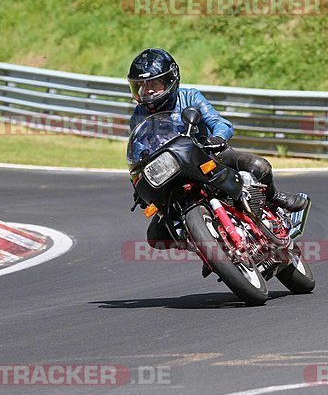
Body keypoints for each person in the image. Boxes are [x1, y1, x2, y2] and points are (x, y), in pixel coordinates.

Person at [128, 47, 307, 249]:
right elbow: (139, 151)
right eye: (141, 86)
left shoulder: (190, 97)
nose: (147, 91)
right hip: (174, 172)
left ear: (170, 80)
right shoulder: (139, 116)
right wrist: (138, 184)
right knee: (156, 235)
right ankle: (206, 246)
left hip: (210, 154)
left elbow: (219, 122)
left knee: (259, 166)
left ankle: (274, 198)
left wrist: (218, 137)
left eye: (153, 83)